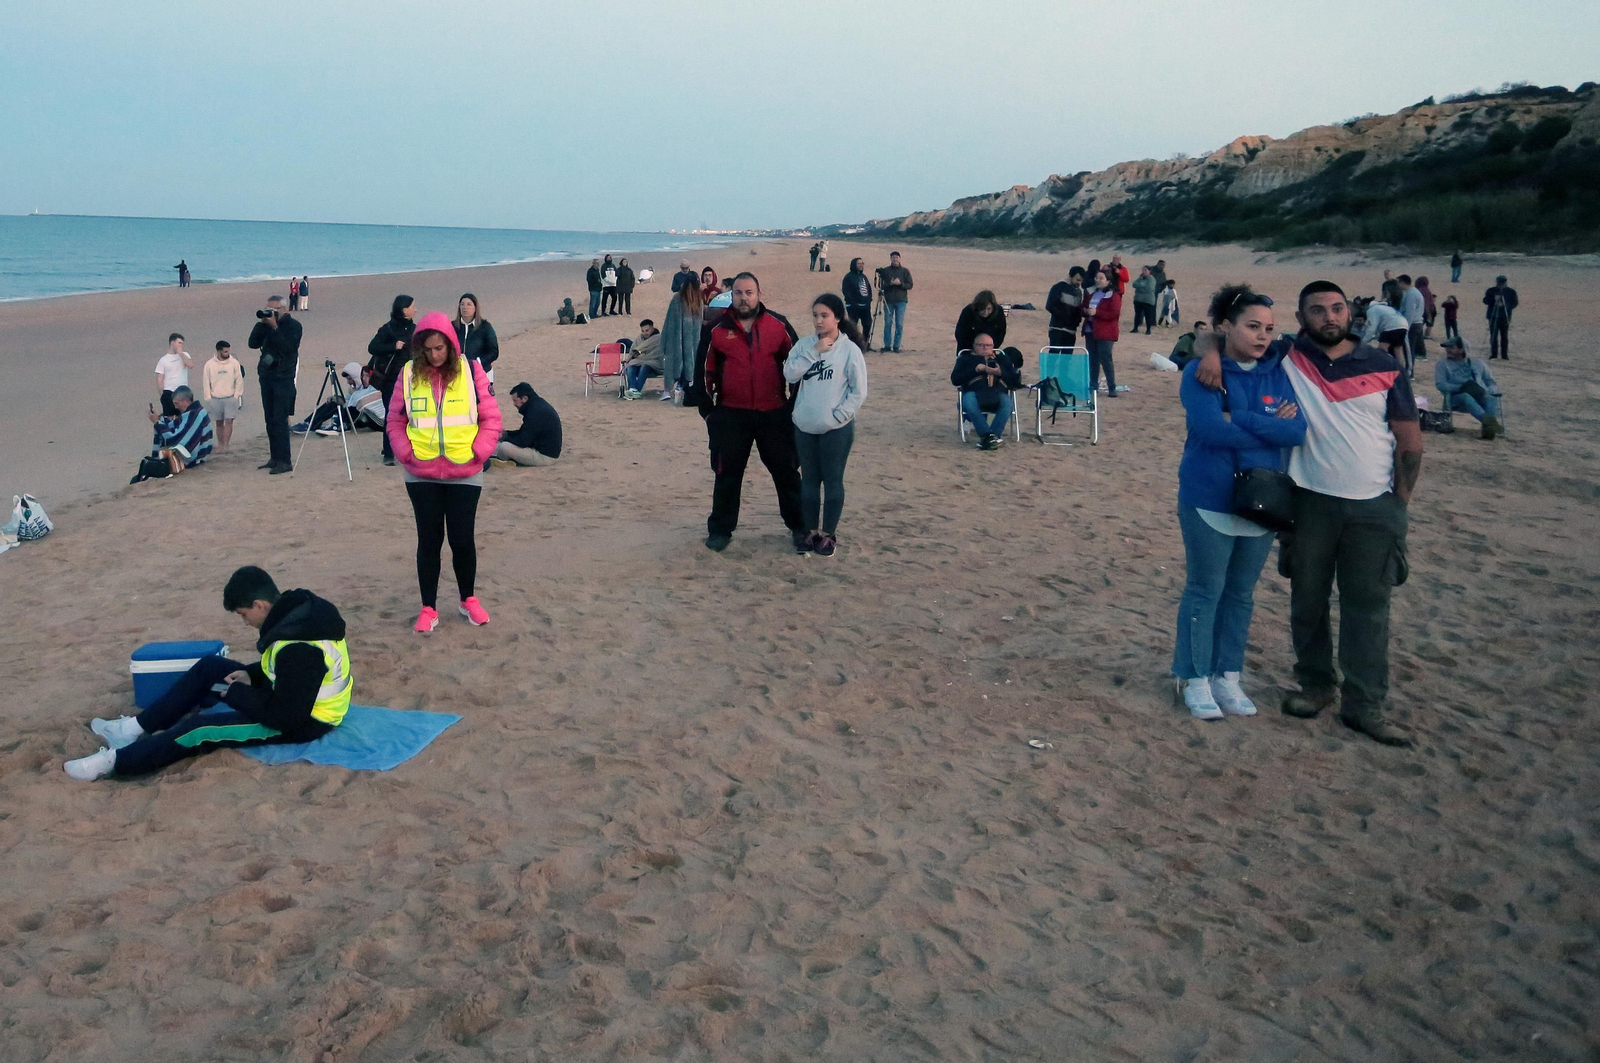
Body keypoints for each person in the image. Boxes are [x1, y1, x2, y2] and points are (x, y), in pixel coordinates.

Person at [1196, 281, 1424, 746]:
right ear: (1303, 320)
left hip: (1374, 507)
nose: (1329, 317)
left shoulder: (1383, 365)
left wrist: (1398, 501)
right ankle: (1316, 686)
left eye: (1337, 308)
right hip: (1309, 502)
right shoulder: (1287, 355)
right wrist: (1210, 355)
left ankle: (1365, 705)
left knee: (1368, 608)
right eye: (1317, 311)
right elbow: (1216, 334)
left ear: (1350, 314)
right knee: (1308, 602)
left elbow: (1410, 441)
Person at [64, 566, 352, 781]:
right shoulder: (295, 616)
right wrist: (252, 675)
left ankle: (116, 762)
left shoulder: (299, 647)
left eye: (243, 614)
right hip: (294, 696)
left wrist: (239, 695)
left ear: (260, 605)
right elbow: (286, 674)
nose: (244, 622)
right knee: (210, 668)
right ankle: (131, 730)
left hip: (309, 720)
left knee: (201, 728)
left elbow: (287, 717)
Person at [1173, 285, 1305, 719]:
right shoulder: (1202, 371)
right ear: (1226, 327)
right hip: (1209, 496)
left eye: (1268, 328)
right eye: (1252, 326)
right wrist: (1267, 420)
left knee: (1241, 594)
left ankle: (1227, 677)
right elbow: (1211, 430)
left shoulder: (1277, 371)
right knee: (1205, 590)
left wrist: (1243, 417)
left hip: (1264, 501)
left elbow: (1296, 430)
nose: (1262, 335)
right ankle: (1194, 678)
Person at [386, 312, 502, 632]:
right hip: (420, 472)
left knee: (462, 539)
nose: (435, 355)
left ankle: (468, 600)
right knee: (429, 540)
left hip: (465, 471)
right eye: (428, 349)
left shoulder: (471, 370)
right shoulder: (408, 374)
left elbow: (491, 417)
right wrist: (406, 453)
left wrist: (479, 451)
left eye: (440, 348)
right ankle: (429, 608)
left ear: (451, 346)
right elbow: (395, 420)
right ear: (419, 349)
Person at [693, 272, 806, 553]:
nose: (744, 298)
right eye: (739, 293)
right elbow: (702, 372)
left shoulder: (778, 326)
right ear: (733, 295)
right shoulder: (716, 329)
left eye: (749, 293)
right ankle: (721, 529)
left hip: (774, 413)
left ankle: (800, 527)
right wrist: (709, 412)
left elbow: (800, 367)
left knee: (787, 473)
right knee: (727, 474)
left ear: (759, 294)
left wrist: (794, 407)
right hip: (731, 415)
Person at [784, 293, 868, 557]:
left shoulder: (849, 350)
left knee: (832, 480)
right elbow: (790, 373)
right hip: (805, 426)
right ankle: (810, 532)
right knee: (809, 481)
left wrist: (839, 416)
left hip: (836, 429)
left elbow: (859, 390)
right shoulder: (804, 345)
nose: (819, 322)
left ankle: (829, 535)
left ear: (837, 318)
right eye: (815, 316)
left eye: (824, 316)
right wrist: (814, 352)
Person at [247, 295, 303, 474]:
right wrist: (262, 324)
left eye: (274, 310)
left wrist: (275, 328)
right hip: (267, 377)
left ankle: (285, 461)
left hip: (283, 378)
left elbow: (288, 348)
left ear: (284, 309)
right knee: (270, 420)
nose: (271, 313)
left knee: (280, 420)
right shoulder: (265, 326)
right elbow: (252, 343)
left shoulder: (294, 326)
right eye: (268, 309)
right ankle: (275, 458)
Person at [366, 294, 417, 466]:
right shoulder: (388, 329)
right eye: (412, 306)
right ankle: (388, 452)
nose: (415, 309)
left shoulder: (415, 329)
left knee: (413, 414)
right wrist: (393, 346)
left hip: (412, 379)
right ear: (404, 309)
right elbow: (372, 347)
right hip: (390, 381)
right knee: (391, 415)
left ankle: (411, 449)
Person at [131, 386, 215, 482]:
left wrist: (157, 423)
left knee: (142, 475)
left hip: (194, 460)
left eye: (176, 403)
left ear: (186, 401)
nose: (175, 407)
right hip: (199, 457)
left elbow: (176, 437)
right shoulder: (196, 411)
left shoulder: (195, 414)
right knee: (145, 472)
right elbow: (178, 427)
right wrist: (160, 419)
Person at [952, 333, 1021, 450]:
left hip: (997, 392)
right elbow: (955, 380)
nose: (985, 348)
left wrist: (1000, 373)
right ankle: (989, 436)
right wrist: (976, 370)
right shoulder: (965, 359)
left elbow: (1015, 382)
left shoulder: (1002, 359)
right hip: (974, 392)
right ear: (974, 346)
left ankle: (989, 438)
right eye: (981, 345)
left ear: (993, 346)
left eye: (988, 345)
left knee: (1008, 404)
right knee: (968, 401)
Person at [1436, 337, 1503, 439]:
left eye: (1451, 347)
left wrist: (1487, 390)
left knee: (1491, 399)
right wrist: (1460, 388)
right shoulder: (1442, 365)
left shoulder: (1478, 364)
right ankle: (1489, 422)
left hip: (1479, 395)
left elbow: (1491, 383)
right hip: (1455, 398)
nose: (1447, 350)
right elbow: (1440, 384)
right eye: (1447, 347)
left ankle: (1488, 430)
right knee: (1466, 396)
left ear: (1462, 349)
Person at [291, 362, 384, 435]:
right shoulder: (359, 390)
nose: (364, 378)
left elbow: (354, 404)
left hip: (378, 422)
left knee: (340, 404)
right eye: (363, 376)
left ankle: (333, 426)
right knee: (334, 401)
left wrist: (342, 399)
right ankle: (309, 423)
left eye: (350, 379)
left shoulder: (373, 388)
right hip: (364, 418)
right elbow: (349, 401)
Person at [493, 382, 562, 467]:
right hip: (544, 450)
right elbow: (525, 433)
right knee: (502, 444)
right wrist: (506, 434)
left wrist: (504, 437)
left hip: (545, 456)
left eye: (515, 400)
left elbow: (523, 441)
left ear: (524, 398)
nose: (514, 404)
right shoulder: (537, 406)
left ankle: (502, 460)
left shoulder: (535, 412)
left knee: (504, 447)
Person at [661, 277, 705, 404]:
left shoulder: (682, 299)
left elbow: (669, 321)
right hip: (687, 340)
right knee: (686, 363)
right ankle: (679, 387)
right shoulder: (693, 300)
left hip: (680, 339)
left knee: (680, 364)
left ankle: (673, 389)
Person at [1082, 268, 1122, 397]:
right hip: (1090, 330)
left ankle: (1112, 387)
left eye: (1101, 278)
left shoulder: (1113, 295)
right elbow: (1083, 306)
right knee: (1093, 360)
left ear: (1108, 281)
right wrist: (1085, 311)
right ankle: (1093, 385)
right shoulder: (1091, 293)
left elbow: (1114, 314)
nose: (1097, 280)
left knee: (1106, 359)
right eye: (1097, 278)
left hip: (1106, 333)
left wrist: (1096, 313)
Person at [201, 340, 244, 452]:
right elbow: (206, 381)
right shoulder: (209, 364)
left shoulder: (234, 363)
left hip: (230, 397)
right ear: (219, 351)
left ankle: (226, 444)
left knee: (229, 421)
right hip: (215, 398)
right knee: (219, 422)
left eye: (228, 351)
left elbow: (239, 380)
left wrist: (237, 395)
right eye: (225, 351)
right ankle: (220, 444)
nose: (227, 353)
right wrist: (208, 398)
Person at [453, 293, 499, 394]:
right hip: (459, 374)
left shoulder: (485, 327)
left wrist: (478, 362)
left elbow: (494, 352)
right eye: (462, 304)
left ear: (475, 308)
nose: (465, 307)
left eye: (469, 304)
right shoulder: (453, 327)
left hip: (482, 373)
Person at [1356, 295, 1410, 365]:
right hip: (1403, 325)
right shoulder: (1385, 307)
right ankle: (1402, 370)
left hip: (1391, 326)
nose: (1363, 311)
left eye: (1363, 308)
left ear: (1366, 305)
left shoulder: (1372, 310)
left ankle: (1383, 367)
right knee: (1398, 350)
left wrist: (1364, 342)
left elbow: (1372, 328)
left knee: (1382, 349)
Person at [879, 251, 912, 353]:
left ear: (899, 258)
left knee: (899, 324)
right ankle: (887, 345)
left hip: (901, 301)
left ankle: (896, 346)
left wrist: (900, 284)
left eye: (896, 257)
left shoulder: (905, 271)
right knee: (888, 323)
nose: (895, 259)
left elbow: (910, 285)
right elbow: (881, 285)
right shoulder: (886, 271)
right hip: (888, 300)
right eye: (893, 258)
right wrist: (891, 283)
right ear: (890, 259)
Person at [1045, 266, 1085, 351]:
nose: (1079, 282)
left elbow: (1077, 309)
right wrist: (1063, 317)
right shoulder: (1058, 287)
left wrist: (1077, 320)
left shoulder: (1079, 292)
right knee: (1054, 355)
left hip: (1071, 330)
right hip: (1057, 328)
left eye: (1081, 280)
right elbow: (1050, 306)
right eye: (1077, 279)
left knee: (1067, 356)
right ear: (1070, 277)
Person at [622, 319, 664, 398]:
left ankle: (636, 390)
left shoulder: (659, 338)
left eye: (647, 330)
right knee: (630, 366)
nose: (645, 333)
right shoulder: (639, 339)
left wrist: (641, 356)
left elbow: (657, 354)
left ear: (652, 328)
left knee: (645, 366)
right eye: (643, 331)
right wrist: (628, 360)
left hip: (654, 365)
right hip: (639, 362)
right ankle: (632, 389)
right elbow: (633, 351)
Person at [155, 332, 192, 417]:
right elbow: (159, 380)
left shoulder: (185, 355)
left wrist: (180, 353)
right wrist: (162, 395)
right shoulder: (163, 360)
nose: (181, 345)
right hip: (169, 391)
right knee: (169, 417)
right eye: (179, 343)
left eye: (182, 344)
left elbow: (190, 365)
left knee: (183, 416)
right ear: (172, 343)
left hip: (182, 391)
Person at [842, 258, 874, 351]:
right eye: (859, 263)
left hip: (865, 306)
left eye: (862, 263)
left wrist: (868, 300)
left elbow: (868, 289)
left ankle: (865, 344)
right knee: (853, 326)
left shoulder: (863, 276)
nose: (861, 265)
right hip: (853, 307)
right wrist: (853, 303)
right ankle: (853, 346)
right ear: (854, 265)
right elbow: (846, 291)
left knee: (868, 324)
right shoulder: (848, 277)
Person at [1484, 275, 1518, 360]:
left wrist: (1506, 306)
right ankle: (1494, 354)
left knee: (1504, 336)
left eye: (1502, 282)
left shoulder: (1511, 291)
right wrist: (1493, 300)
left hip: (1504, 316)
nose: (1501, 284)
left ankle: (1504, 355)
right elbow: (1485, 301)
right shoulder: (1491, 290)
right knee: (1493, 336)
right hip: (1493, 316)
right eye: (1499, 282)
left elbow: (1514, 303)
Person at [1398, 274, 1426, 377]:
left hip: (1413, 324)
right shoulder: (1412, 292)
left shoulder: (1411, 294)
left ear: (1403, 282)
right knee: (1409, 349)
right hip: (1416, 323)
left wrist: (1406, 327)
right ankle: (1409, 371)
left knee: (1409, 350)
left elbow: (1410, 312)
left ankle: (1410, 373)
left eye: (1399, 283)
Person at [1131, 266, 1158, 334]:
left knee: (1148, 316)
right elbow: (1134, 284)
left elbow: (1149, 288)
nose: (1143, 272)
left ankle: (1148, 329)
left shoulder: (1152, 279)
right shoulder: (1140, 278)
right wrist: (1142, 285)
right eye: (1143, 270)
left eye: (1145, 270)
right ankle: (1135, 328)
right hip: (1138, 300)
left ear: (1149, 271)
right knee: (1137, 315)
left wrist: (1140, 287)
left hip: (1148, 301)